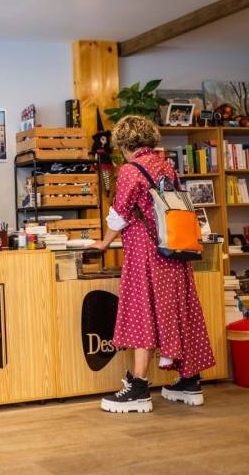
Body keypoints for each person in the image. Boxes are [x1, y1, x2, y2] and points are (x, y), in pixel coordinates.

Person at [87, 115, 215, 413]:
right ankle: (189, 380)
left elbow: (119, 214)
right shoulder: (166, 165)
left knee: (141, 312)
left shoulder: (131, 171)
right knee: (177, 310)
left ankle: (139, 387)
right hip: (174, 250)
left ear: (124, 145)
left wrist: (104, 242)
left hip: (145, 253)